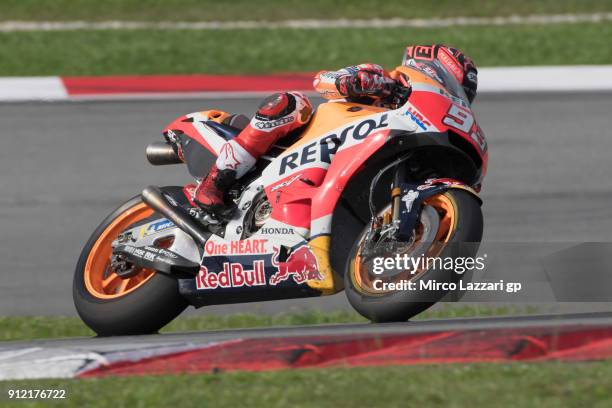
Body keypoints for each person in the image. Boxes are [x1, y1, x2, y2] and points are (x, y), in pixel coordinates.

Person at [186, 44, 478, 215]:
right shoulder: (385, 81)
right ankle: (214, 183)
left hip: (354, 169)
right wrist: (362, 83)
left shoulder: (425, 120)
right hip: (307, 144)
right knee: (290, 103)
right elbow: (322, 81)